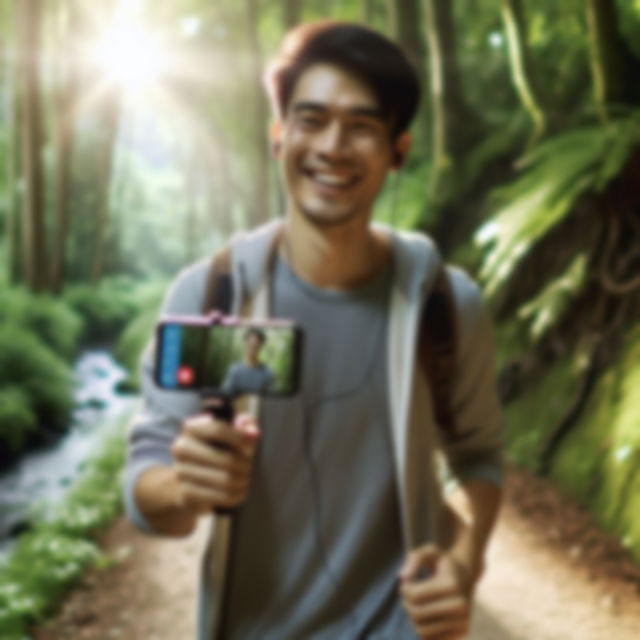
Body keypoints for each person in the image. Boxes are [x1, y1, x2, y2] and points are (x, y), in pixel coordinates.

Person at [124, 19, 504, 640]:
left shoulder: (445, 304)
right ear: (279, 137)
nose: (332, 145)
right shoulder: (213, 295)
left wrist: (465, 561)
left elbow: (477, 458)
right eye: (311, 119)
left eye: (361, 126)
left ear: (399, 149)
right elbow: (145, 493)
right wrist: (184, 486)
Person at [221, 328, 275, 395]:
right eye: (250, 344)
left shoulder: (268, 373)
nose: (253, 347)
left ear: (261, 345)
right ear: (245, 343)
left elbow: (271, 398)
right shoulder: (235, 370)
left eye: (256, 345)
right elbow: (226, 394)